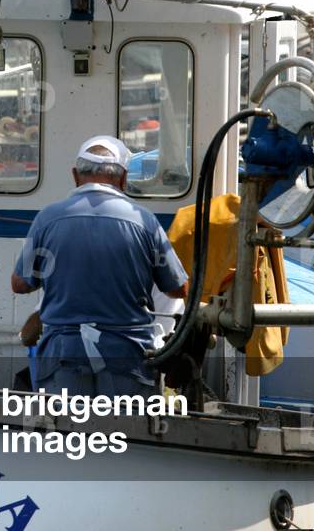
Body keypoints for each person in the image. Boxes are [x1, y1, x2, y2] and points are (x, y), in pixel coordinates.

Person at [11, 135, 188, 398]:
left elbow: (20, 284)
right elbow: (179, 289)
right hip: (127, 355)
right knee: (126, 435)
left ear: (75, 175)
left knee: (68, 436)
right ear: (124, 178)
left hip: (64, 355)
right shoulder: (145, 222)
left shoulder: (47, 218)